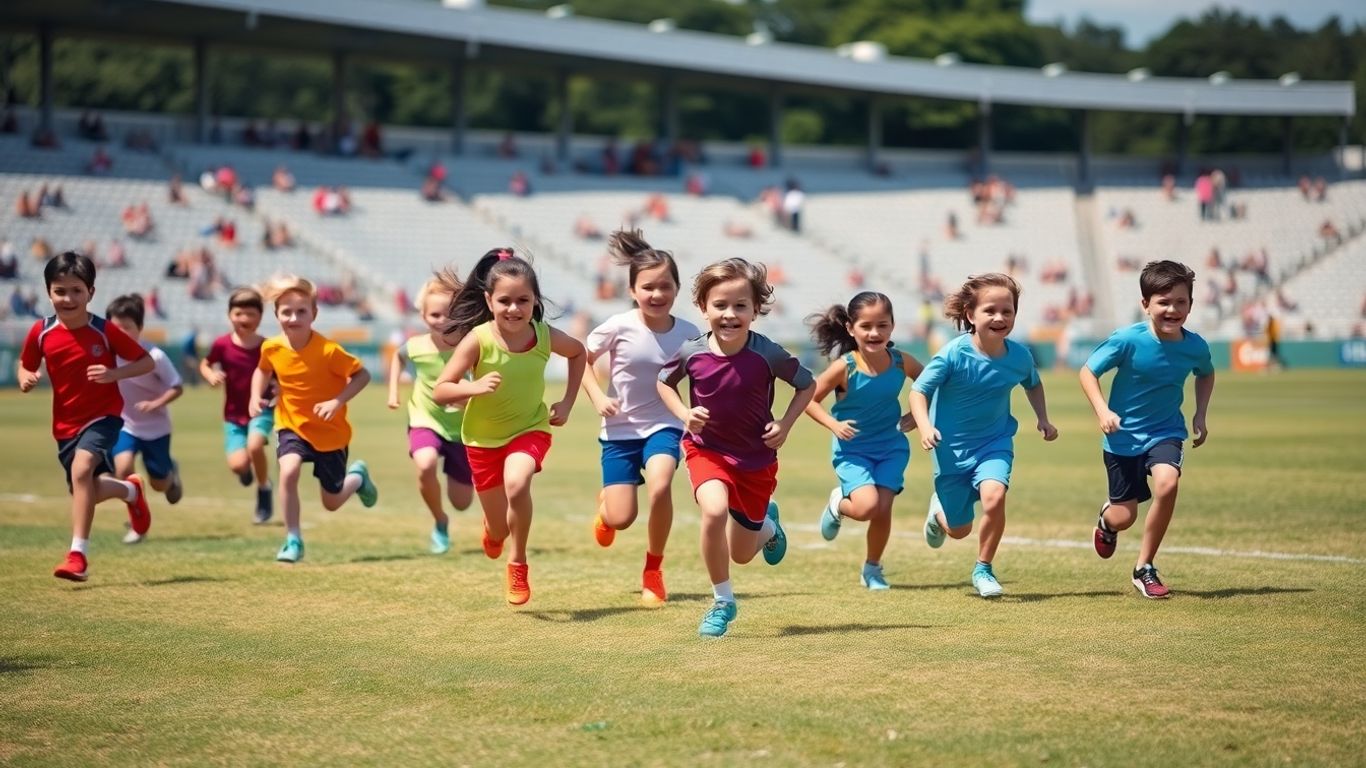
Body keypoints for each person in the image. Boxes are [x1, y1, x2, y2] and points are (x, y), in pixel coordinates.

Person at [657, 257, 816, 637]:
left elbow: (807, 385)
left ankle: (767, 525)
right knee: (713, 512)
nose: (729, 314)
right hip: (706, 450)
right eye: (720, 305)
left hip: (755, 460)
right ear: (703, 307)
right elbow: (664, 382)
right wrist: (684, 413)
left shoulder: (768, 353)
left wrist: (785, 424)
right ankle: (722, 602)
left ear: (755, 310)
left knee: (741, 554)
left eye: (740, 306)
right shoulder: (690, 352)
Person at [433, 249, 586, 606]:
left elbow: (579, 353)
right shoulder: (478, 339)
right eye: (504, 300)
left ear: (535, 301)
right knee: (498, 526)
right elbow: (442, 389)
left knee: (518, 483)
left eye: (523, 300)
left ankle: (517, 562)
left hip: (529, 429)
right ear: (488, 300)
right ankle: (495, 531)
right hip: (481, 440)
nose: (514, 309)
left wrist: (567, 402)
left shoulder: (544, 336)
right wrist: (472, 387)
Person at [909, 273, 1058, 599]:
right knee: (959, 530)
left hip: (994, 443)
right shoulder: (952, 354)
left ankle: (983, 568)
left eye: (1007, 311)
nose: (999, 317)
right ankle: (939, 513)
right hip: (950, 450)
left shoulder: (1020, 356)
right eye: (990, 310)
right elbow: (919, 391)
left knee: (994, 497)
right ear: (970, 315)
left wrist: (1043, 418)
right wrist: (924, 426)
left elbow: (1032, 383)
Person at [1079, 260, 1215, 599]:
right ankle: (1108, 522)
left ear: (1191, 305)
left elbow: (1206, 373)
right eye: (1163, 302)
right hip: (1122, 438)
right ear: (1145, 305)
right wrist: (1103, 410)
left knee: (1167, 484)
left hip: (1166, 431)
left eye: (1180, 302)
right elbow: (1087, 373)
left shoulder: (1195, 346)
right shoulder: (1127, 340)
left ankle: (1145, 567)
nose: (1172, 309)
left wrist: (1200, 414)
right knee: (1125, 515)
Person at [18, 252, 155, 582]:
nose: (68, 298)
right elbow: (26, 364)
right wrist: (25, 376)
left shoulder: (104, 331)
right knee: (85, 488)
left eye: (76, 290)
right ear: (48, 292)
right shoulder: (40, 332)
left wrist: (113, 374)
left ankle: (77, 554)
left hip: (104, 416)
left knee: (82, 471)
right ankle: (131, 492)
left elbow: (146, 362)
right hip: (65, 424)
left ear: (91, 293)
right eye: (60, 291)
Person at [581, 230, 700, 605]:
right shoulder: (617, 326)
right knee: (620, 518)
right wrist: (598, 395)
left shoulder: (690, 333)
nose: (656, 294)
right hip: (619, 430)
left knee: (661, 485)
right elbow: (579, 360)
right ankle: (606, 509)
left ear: (677, 289)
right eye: (648, 287)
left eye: (665, 286)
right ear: (633, 290)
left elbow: (702, 379)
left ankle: (654, 569)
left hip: (666, 424)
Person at [251, 275, 379, 563]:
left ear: (314, 314)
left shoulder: (329, 351)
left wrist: (337, 401)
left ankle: (357, 478)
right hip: (291, 425)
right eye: (286, 311)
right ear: (276, 314)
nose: (293, 317)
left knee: (331, 502)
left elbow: (362, 375)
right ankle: (292, 540)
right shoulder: (271, 347)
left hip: (330, 433)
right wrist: (254, 396)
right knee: (289, 471)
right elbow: (262, 369)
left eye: (301, 311)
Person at [805, 292, 924, 590]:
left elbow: (930, 384)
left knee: (883, 508)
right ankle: (838, 504)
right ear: (851, 328)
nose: (875, 333)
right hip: (853, 451)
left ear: (892, 326)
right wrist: (833, 424)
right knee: (866, 507)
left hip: (892, 447)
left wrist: (916, 416)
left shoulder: (901, 362)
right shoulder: (845, 367)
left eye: (882, 325)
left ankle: (872, 569)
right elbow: (808, 400)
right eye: (866, 326)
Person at [386, 275, 475, 554]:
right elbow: (397, 358)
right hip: (425, 419)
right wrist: (393, 392)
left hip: (463, 428)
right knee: (425, 464)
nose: (442, 319)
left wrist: (467, 397)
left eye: (449, 313)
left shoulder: (470, 345)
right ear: (424, 317)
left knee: (462, 501)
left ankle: (454, 504)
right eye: (435, 314)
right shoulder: (415, 346)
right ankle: (440, 520)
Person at [107, 294, 185, 544]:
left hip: (156, 429)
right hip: (125, 426)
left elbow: (177, 386)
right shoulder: (106, 355)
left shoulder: (156, 357)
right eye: (115, 328)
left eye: (126, 328)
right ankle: (137, 519)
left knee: (160, 485)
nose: (120, 333)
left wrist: (155, 403)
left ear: (139, 328)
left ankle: (171, 472)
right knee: (122, 468)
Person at [201, 288, 276, 523]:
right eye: (238, 313)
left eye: (250, 314)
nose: (244, 319)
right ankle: (246, 472)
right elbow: (206, 363)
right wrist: (210, 374)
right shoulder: (222, 345)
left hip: (261, 408)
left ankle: (264, 489)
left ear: (260, 317)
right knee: (238, 465)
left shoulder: (268, 347)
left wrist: (279, 389)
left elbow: (282, 375)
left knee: (255, 446)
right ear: (229, 315)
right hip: (233, 415)